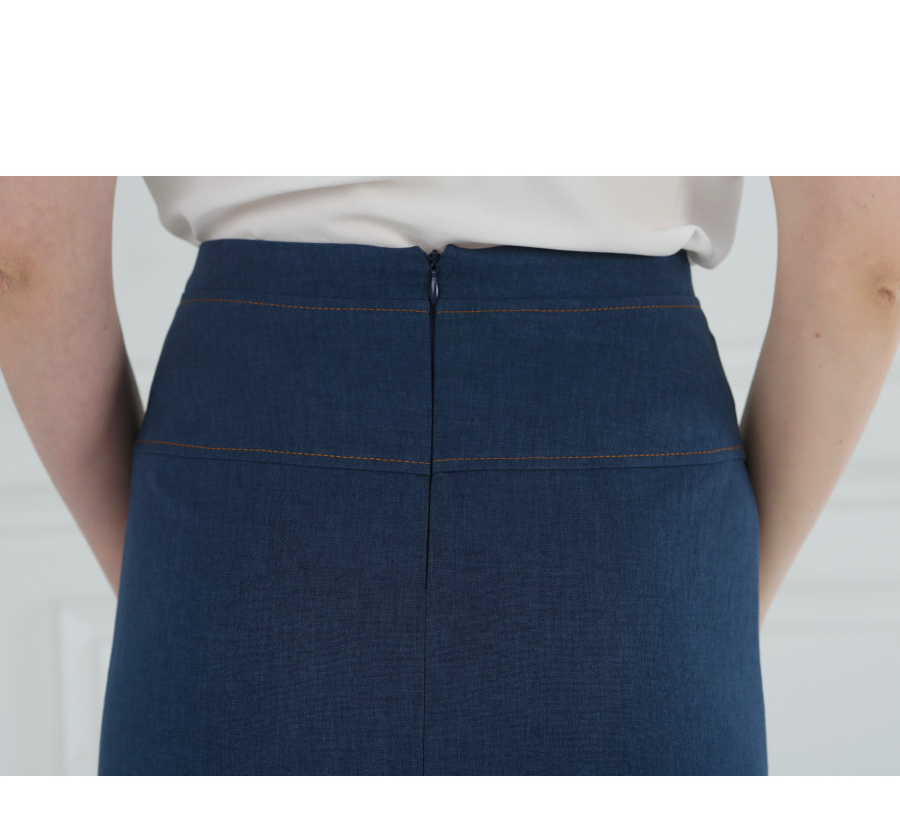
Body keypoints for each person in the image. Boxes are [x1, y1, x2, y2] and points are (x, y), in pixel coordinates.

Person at [2, 176, 899, 776]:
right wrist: (710, 598)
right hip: (627, 485)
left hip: (248, 469)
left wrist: (169, 578)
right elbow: (870, 266)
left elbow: (23, 262)